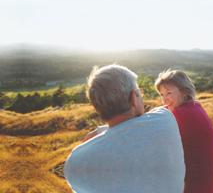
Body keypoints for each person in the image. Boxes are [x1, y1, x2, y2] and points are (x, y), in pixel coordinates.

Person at [64, 64, 185, 193]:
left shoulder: (76, 159)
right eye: (140, 92)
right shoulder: (164, 119)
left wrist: (100, 131)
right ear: (133, 98)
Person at [155, 69, 213, 193]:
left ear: (184, 92)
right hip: (206, 186)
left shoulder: (180, 115)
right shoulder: (195, 107)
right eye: (162, 95)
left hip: (191, 187)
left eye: (169, 93)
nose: (164, 100)